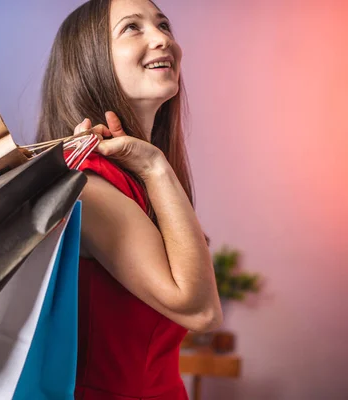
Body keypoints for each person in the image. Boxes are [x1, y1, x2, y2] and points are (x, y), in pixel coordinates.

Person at [36, 0, 223, 398]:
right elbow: (201, 311)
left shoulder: (129, 181)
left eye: (164, 25)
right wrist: (156, 165)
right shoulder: (88, 186)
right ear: (89, 61)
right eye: (132, 28)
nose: (163, 40)